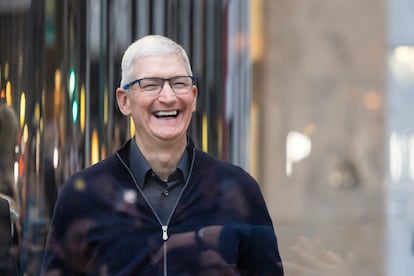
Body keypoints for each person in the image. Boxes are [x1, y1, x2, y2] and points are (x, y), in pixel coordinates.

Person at [41, 35, 284, 275]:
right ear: (124, 101)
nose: (168, 97)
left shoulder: (239, 189)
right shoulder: (83, 196)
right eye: (151, 84)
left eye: (179, 83)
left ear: (194, 97)